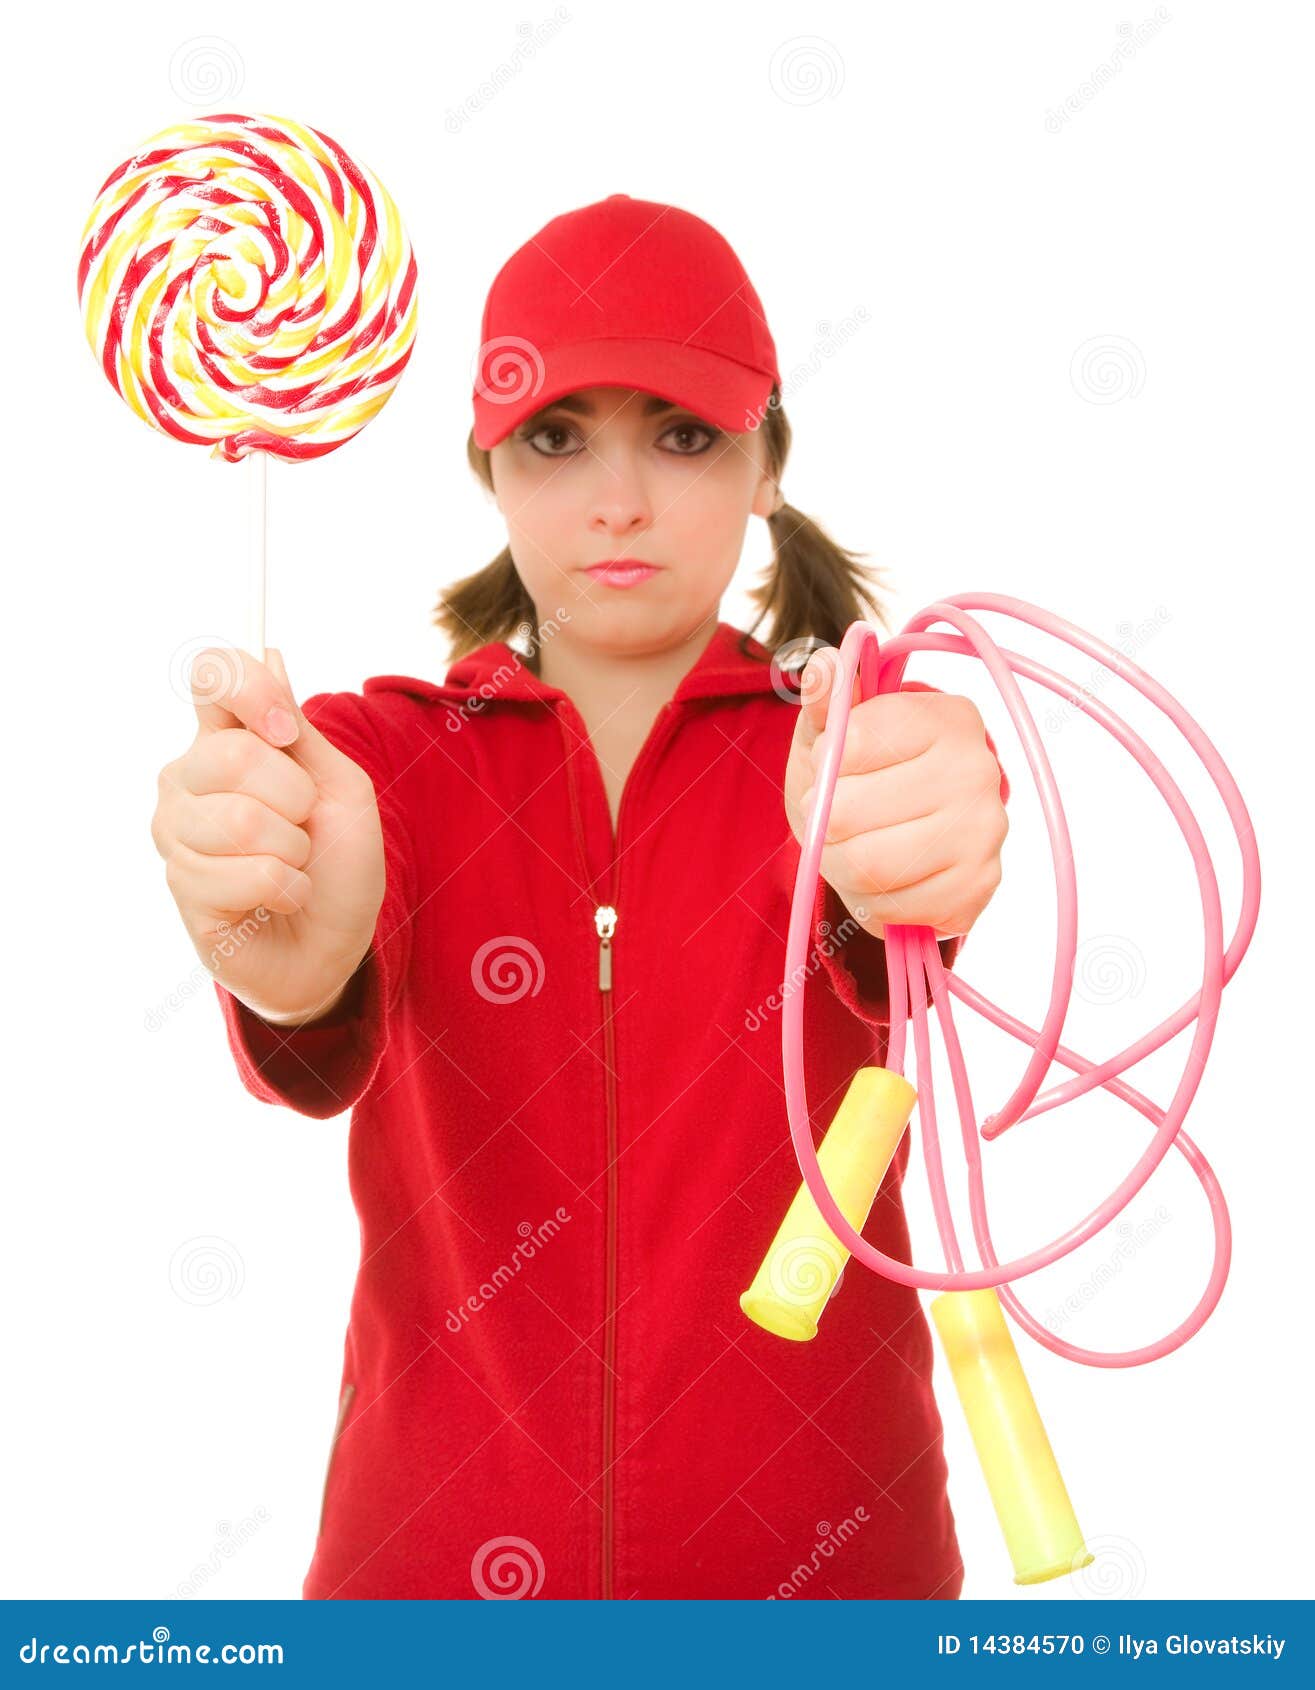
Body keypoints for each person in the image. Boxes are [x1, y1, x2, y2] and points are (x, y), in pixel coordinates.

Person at [150, 193, 1010, 1601]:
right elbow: (301, 993)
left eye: (683, 436)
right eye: (558, 438)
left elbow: (893, 896)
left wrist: (906, 852)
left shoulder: (857, 742)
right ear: (488, 465)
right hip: (427, 1588)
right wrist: (282, 956)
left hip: (828, 1581)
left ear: (768, 464)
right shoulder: (368, 761)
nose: (619, 500)